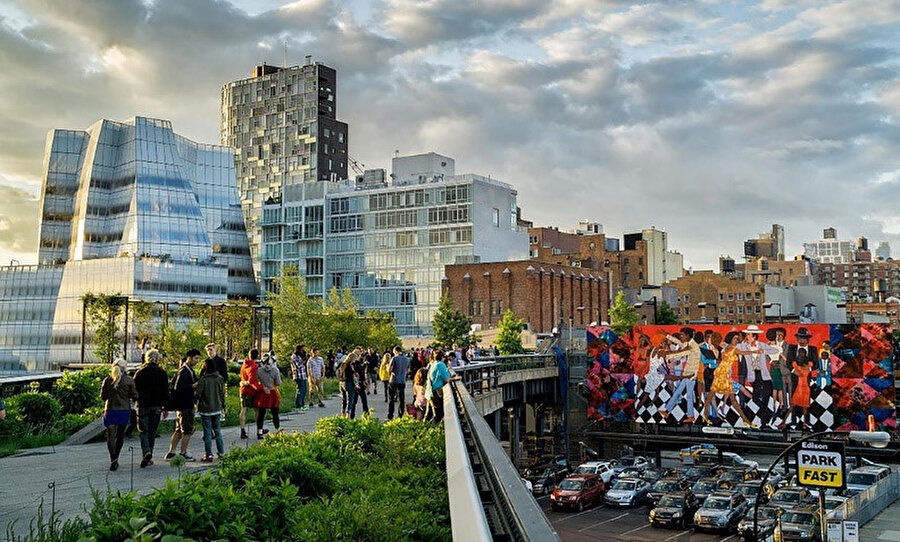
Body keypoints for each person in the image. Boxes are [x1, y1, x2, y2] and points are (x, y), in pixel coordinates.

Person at [704, 332, 756, 428]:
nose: (736, 340)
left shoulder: (727, 347)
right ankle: (706, 415)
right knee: (713, 394)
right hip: (722, 374)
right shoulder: (732, 348)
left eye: (737, 338)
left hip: (724, 373)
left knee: (722, 397)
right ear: (731, 339)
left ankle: (745, 420)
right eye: (735, 338)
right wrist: (755, 352)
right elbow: (743, 353)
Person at [100, 358, 139, 471]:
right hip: (123, 410)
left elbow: (103, 397)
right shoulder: (129, 380)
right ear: (124, 368)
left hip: (110, 410)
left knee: (111, 437)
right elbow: (135, 396)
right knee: (120, 436)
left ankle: (113, 460)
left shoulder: (107, 380)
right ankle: (116, 458)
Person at [737, 325, 779, 426]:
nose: (747, 336)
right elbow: (734, 349)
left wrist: (763, 351)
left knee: (765, 398)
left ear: (754, 336)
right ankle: (769, 413)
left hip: (764, 375)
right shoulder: (743, 346)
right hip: (753, 375)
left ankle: (763, 422)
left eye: (749, 335)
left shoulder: (761, 345)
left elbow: (775, 350)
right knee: (755, 398)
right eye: (747, 334)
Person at [133, 349, 169, 468]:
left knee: (143, 431)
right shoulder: (162, 373)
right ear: (157, 359)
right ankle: (149, 455)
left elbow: (134, 389)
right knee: (152, 432)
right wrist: (166, 408)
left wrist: (135, 400)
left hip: (142, 405)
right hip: (157, 406)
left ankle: (146, 452)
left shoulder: (140, 372)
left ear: (146, 359)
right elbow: (165, 392)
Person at [659, 328, 701, 423]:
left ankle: (689, 416)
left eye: (682, 335)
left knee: (686, 394)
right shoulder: (688, 343)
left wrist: (666, 355)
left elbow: (682, 353)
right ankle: (667, 411)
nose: (680, 336)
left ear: (687, 335)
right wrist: (667, 335)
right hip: (687, 373)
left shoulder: (692, 346)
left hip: (690, 375)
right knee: (679, 392)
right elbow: (678, 341)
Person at [165, 349, 200, 461]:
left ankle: (171, 452)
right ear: (189, 357)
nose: (197, 361)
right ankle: (183, 452)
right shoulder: (184, 371)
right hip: (185, 404)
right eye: (196, 358)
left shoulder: (188, 370)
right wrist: (193, 386)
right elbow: (178, 388)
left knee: (179, 430)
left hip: (183, 404)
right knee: (187, 429)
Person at [194, 358, 226, 462]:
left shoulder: (203, 380)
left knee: (207, 432)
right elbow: (222, 394)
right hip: (217, 408)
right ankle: (221, 453)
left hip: (206, 409)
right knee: (218, 431)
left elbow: (198, 394)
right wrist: (223, 406)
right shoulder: (220, 379)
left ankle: (209, 454)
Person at [256, 352, 282, 438]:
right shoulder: (275, 370)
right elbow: (278, 383)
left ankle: (259, 432)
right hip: (272, 392)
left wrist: (262, 386)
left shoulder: (259, 370)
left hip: (263, 393)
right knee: (275, 413)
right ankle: (277, 430)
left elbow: (256, 381)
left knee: (261, 414)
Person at [239, 349, 262, 439]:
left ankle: (243, 430)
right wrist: (261, 387)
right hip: (252, 391)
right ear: (257, 355)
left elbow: (242, 377)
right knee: (257, 411)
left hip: (243, 390)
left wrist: (242, 382)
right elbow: (252, 381)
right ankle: (259, 431)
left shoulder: (244, 365)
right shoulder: (254, 366)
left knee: (243, 410)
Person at [425, 351, 455, 423]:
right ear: (442, 357)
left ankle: (424, 428)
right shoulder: (441, 364)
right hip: (436, 392)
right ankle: (433, 428)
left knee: (429, 414)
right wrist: (455, 378)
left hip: (429, 391)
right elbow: (446, 379)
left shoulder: (433, 364)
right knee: (439, 413)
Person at [388, 346, 411, 420]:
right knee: (401, 399)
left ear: (396, 351)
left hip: (394, 380)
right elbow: (408, 370)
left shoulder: (394, 358)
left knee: (391, 398)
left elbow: (390, 369)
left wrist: (390, 372)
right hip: (402, 380)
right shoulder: (407, 359)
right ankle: (400, 414)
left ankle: (390, 415)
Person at [337, 350, 358, 418]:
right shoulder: (351, 365)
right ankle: (348, 414)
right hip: (349, 382)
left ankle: (343, 413)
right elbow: (354, 374)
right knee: (350, 399)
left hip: (342, 382)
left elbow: (338, 372)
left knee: (344, 399)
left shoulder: (342, 364)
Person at [351, 347, 369, 416]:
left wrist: (364, 380)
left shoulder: (358, 362)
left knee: (363, 400)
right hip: (356, 383)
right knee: (355, 401)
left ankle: (366, 414)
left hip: (360, 383)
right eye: (357, 354)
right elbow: (357, 373)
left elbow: (361, 373)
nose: (359, 356)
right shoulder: (353, 364)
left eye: (360, 354)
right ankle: (352, 415)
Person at [290, 345, 308, 411]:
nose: (302, 351)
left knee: (304, 390)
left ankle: (302, 404)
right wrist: (304, 360)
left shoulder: (299, 356)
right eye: (302, 349)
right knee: (300, 390)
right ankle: (299, 404)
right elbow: (298, 366)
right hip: (298, 375)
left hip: (303, 375)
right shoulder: (294, 356)